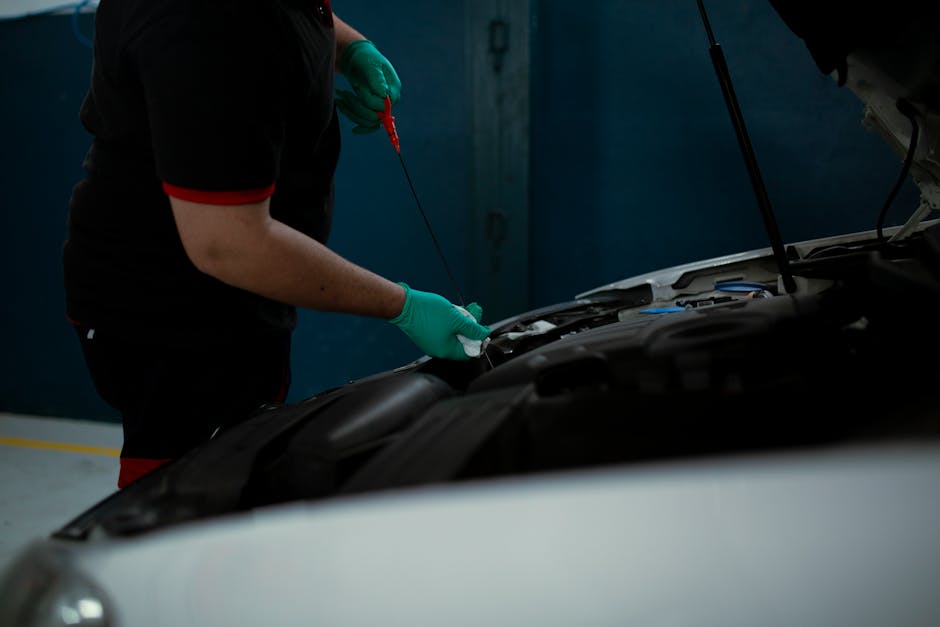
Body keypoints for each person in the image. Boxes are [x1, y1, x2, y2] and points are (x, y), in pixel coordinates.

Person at [62, 0, 490, 489]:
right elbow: (228, 245)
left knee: (245, 459)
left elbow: (290, 14)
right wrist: (405, 306)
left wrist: (349, 49)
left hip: (239, 296)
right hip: (171, 314)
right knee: (186, 496)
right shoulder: (205, 24)